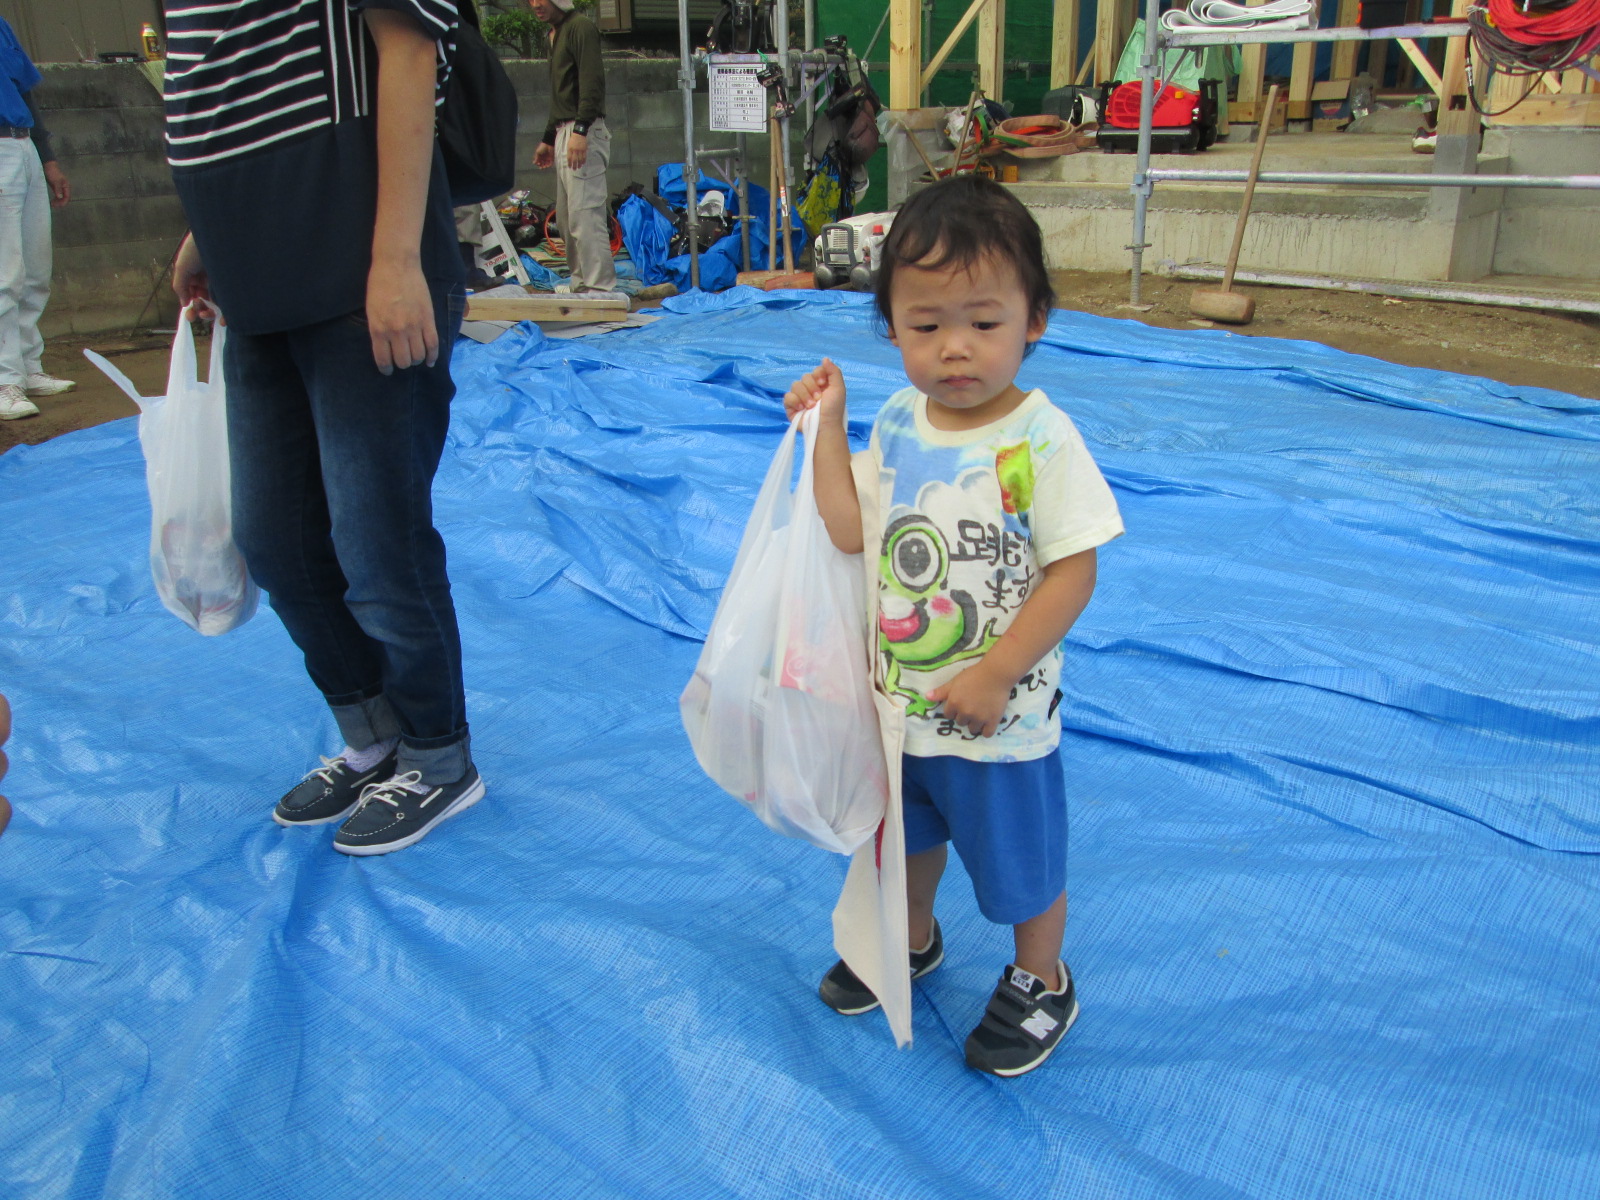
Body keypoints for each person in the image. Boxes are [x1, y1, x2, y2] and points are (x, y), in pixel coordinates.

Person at [783, 175, 1124, 1077]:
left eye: (983, 321)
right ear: (891, 328)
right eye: (926, 326)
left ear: (1034, 319)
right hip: (903, 713)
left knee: (1021, 865)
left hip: (997, 725)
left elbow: (1074, 569)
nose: (956, 349)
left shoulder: (1040, 441)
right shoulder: (897, 422)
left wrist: (998, 670)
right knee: (908, 841)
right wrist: (829, 431)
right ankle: (912, 937)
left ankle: (1041, 976)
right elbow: (851, 528)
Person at [165, 0, 483, 855]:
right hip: (254, 280)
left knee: (377, 541)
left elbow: (412, 47)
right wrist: (207, 233)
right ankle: (372, 729)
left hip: (356, 265)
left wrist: (395, 258)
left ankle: (438, 753)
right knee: (274, 539)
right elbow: (224, 78)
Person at [0, 17, 74, 422]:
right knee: (4, 271)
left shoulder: (1, 25)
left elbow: (24, 92)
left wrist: (47, 158)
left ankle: (28, 366)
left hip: (21, 142)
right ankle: (3, 377)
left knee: (35, 266)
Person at [528, 0, 618, 296]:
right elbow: (561, 94)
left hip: (584, 129)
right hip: (565, 130)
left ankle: (600, 289)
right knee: (568, 219)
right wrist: (548, 139)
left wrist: (580, 129)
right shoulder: (555, 34)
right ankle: (581, 285)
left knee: (586, 215)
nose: (535, 4)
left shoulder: (580, 27)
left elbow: (591, 82)